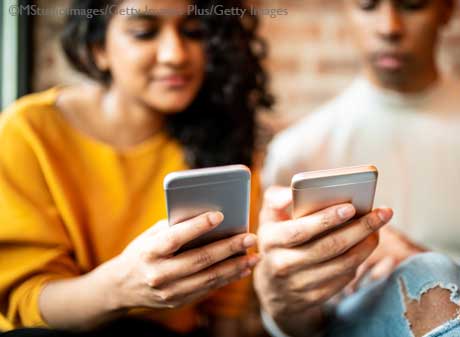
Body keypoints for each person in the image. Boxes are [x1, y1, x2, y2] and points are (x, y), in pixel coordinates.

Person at [0, 0, 273, 336]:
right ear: (98, 48)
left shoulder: (224, 139)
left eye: (194, 31)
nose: (175, 54)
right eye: (144, 33)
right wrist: (121, 287)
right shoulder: (28, 133)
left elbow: (226, 312)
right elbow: (26, 302)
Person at [255, 0, 460, 336]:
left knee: (428, 268)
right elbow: (295, 327)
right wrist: (282, 300)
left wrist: (415, 262)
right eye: (367, 6)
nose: (389, 27)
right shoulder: (298, 151)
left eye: (412, 5)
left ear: (447, 10)